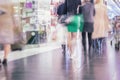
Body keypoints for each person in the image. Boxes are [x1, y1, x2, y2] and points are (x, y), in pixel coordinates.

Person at [0, 0, 15, 65]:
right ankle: (5, 58)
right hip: (7, 24)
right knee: (6, 43)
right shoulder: (10, 3)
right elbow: (13, 15)